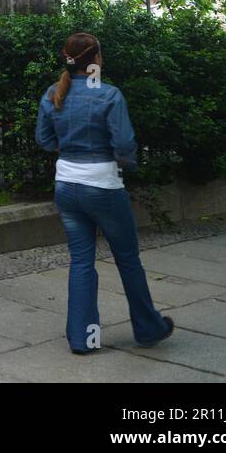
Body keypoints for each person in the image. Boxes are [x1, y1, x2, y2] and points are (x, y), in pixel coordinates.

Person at [35, 32, 174, 354]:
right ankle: (148, 327)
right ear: (96, 58)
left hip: (66, 187)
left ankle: (83, 339)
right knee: (127, 259)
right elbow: (124, 145)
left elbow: (44, 140)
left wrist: (72, 150)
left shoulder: (54, 93)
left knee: (81, 261)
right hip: (103, 187)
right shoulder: (109, 94)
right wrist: (123, 162)